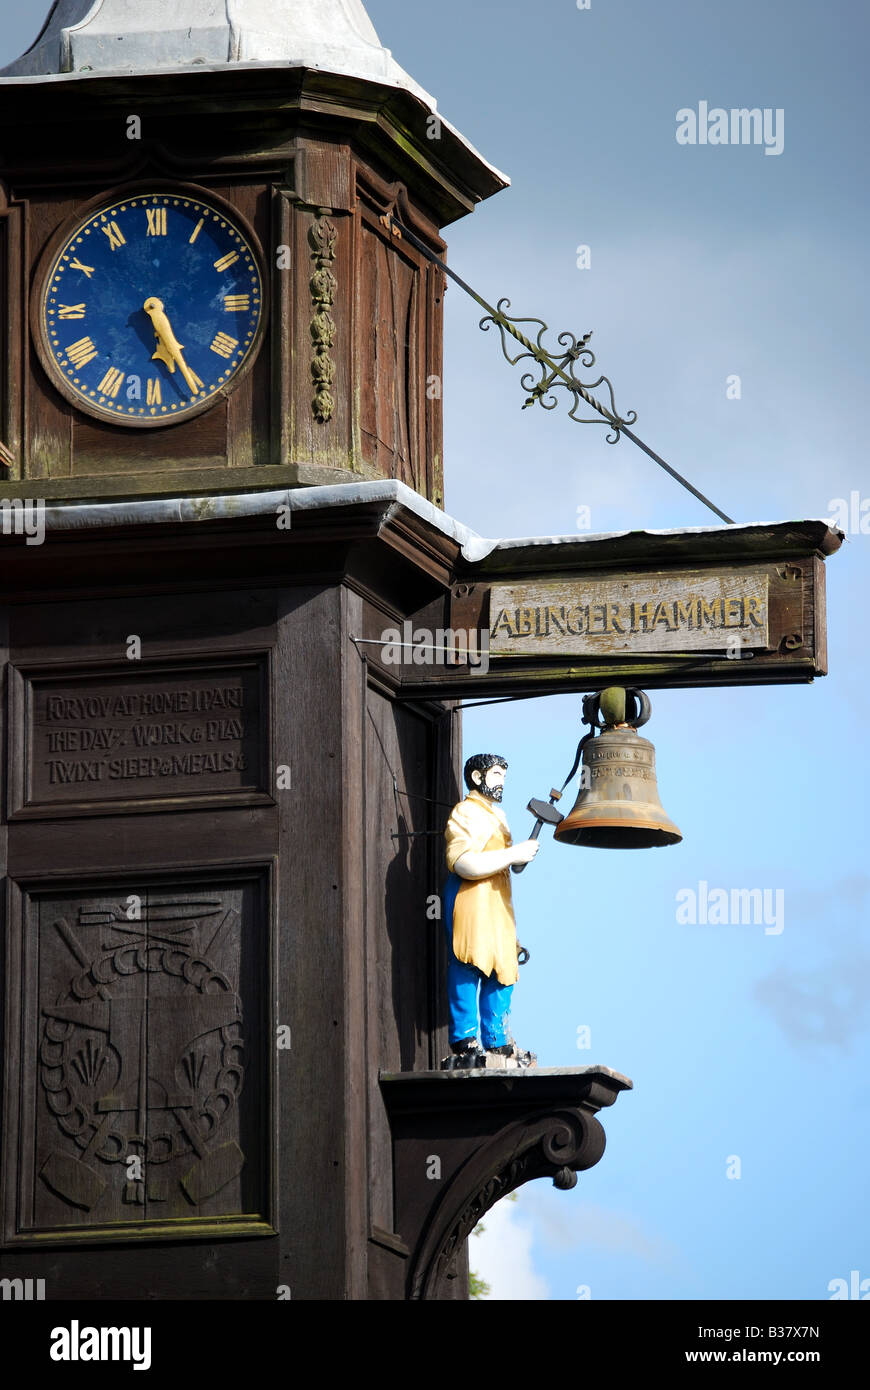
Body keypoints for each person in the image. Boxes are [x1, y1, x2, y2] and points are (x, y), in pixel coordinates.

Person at [442, 753, 539, 1065]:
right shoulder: (466, 812)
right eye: (496, 775)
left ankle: (497, 1041)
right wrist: (512, 855)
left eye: (503, 777)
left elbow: (509, 863)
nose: (501, 783)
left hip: (498, 902)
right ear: (477, 777)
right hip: (471, 899)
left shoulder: (499, 816)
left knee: (504, 968)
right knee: (469, 962)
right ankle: (465, 1040)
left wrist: (519, 855)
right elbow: (463, 863)